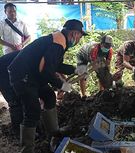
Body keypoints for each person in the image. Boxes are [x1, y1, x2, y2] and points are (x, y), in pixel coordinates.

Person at [8, 19, 87, 153]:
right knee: (32, 111)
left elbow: (54, 65)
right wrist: (61, 85)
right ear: (74, 33)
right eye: (80, 35)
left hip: (33, 74)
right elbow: (45, 70)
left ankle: (54, 133)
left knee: (49, 96)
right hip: (23, 76)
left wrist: (74, 69)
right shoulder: (57, 43)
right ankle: (27, 149)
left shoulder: (60, 40)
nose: (79, 39)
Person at [0, 51, 23, 136]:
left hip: (9, 70)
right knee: (14, 102)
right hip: (3, 71)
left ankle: (21, 127)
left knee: (19, 99)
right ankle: (18, 132)